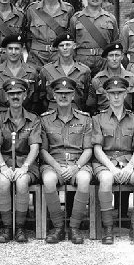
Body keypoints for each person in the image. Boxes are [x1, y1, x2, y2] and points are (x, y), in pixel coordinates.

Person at [92, 77, 134, 245]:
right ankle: (108, 228)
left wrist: (130, 166)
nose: (116, 97)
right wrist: (112, 168)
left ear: (125, 94)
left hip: (129, 160)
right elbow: (97, 148)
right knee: (107, 178)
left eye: (119, 93)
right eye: (112, 93)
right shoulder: (98, 119)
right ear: (107, 95)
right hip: (105, 162)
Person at [39, 78, 94, 244]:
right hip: (53, 163)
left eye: (67, 94)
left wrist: (76, 167)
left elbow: (88, 150)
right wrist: (56, 166)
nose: (63, 97)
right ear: (54, 96)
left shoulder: (84, 119)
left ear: (73, 96)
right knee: (48, 180)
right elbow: (43, 150)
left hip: (78, 163)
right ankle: (58, 227)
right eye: (60, 94)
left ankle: (74, 227)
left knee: (84, 180)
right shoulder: (45, 119)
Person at [0, 78, 42, 243]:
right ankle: (7, 227)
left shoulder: (33, 119)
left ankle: (20, 227)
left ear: (25, 95)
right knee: (3, 183)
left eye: (19, 93)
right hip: (2, 163)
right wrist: (3, 167)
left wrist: (25, 166)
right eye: (11, 94)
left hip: (26, 163)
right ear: (6, 96)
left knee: (22, 182)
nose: (15, 97)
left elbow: (35, 147)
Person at [0, 34, 38, 123]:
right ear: (5, 50)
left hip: (26, 119)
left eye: (17, 49)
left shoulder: (32, 73)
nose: (13, 52)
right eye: (10, 49)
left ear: (22, 50)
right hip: (2, 119)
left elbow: (36, 102)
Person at [24, 0, 75, 69]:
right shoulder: (31, 9)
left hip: (59, 57)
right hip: (36, 59)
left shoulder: (68, 10)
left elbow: (72, 37)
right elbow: (26, 37)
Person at [69, 0, 118, 75]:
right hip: (81, 62)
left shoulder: (111, 19)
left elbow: (115, 43)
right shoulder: (76, 18)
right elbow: (71, 44)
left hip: (104, 62)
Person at [34, 33, 91, 114]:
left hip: (77, 114)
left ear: (74, 46)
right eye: (61, 45)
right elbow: (41, 96)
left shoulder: (84, 71)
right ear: (57, 48)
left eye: (68, 45)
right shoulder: (46, 70)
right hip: (52, 114)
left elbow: (87, 97)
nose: (65, 48)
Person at [89, 42, 134, 114]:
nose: (114, 59)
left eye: (117, 55)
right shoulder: (97, 80)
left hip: (127, 119)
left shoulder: (132, 78)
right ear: (106, 57)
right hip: (104, 120)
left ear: (122, 56)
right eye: (111, 55)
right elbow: (91, 106)